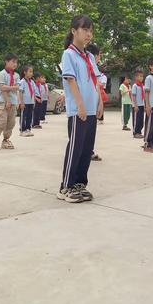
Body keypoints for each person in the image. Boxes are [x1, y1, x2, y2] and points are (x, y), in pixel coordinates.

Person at [57, 15, 103, 203]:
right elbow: (71, 80)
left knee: (86, 148)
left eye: (91, 30)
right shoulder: (69, 54)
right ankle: (66, 186)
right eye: (85, 30)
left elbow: (96, 81)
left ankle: (79, 184)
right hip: (79, 110)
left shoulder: (90, 56)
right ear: (74, 31)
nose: (89, 34)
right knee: (75, 147)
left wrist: (99, 102)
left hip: (91, 109)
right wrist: (81, 105)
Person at [0, 53, 20, 150]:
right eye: (13, 62)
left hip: (13, 101)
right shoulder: (2, 74)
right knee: (1, 122)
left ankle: (6, 140)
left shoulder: (16, 75)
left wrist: (9, 88)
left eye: (16, 62)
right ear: (6, 62)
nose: (15, 64)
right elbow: (2, 88)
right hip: (2, 101)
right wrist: (8, 100)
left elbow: (18, 87)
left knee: (11, 122)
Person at [86, 43, 104, 161]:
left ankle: (89, 151)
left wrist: (100, 102)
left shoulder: (95, 69)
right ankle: (85, 152)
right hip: (85, 105)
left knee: (91, 131)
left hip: (93, 103)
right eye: (99, 56)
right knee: (84, 131)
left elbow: (97, 86)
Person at [18, 65, 35, 137]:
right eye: (30, 72)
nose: (31, 73)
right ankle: (22, 130)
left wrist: (34, 102)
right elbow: (20, 92)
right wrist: (21, 102)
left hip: (30, 102)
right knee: (23, 116)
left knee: (29, 116)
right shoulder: (22, 82)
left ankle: (28, 129)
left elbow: (33, 92)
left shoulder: (32, 82)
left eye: (32, 72)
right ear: (25, 72)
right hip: (24, 102)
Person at [131, 70, 145, 139]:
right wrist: (135, 105)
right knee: (136, 119)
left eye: (142, 76)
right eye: (140, 76)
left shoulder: (142, 86)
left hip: (142, 105)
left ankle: (139, 132)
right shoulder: (135, 86)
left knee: (141, 120)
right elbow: (133, 96)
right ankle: (135, 132)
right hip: (136, 106)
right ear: (136, 77)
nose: (141, 78)